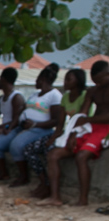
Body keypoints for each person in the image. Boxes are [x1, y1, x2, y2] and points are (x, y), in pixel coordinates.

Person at [40, 60, 109, 207]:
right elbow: (81, 115)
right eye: (95, 81)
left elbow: (92, 118)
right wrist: (73, 134)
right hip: (90, 127)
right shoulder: (93, 91)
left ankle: (83, 200)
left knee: (81, 156)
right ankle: (55, 197)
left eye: (100, 80)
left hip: (105, 129)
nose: (97, 83)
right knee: (53, 154)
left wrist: (87, 120)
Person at [0, 63, 63, 188]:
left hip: (40, 129)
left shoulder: (55, 95)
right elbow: (21, 112)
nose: (35, 82)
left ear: (43, 79)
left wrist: (35, 124)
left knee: (16, 145)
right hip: (22, 127)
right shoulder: (34, 95)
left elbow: (56, 120)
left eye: (37, 79)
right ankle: (4, 174)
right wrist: (10, 127)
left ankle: (23, 176)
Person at [25, 68, 89, 199]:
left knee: (51, 153)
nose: (65, 82)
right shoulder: (65, 97)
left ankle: (51, 190)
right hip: (67, 132)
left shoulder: (85, 96)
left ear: (78, 81)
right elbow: (60, 123)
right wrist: (54, 137)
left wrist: (71, 135)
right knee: (30, 149)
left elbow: (82, 119)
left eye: (69, 79)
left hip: (81, 132)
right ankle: (44, 182)